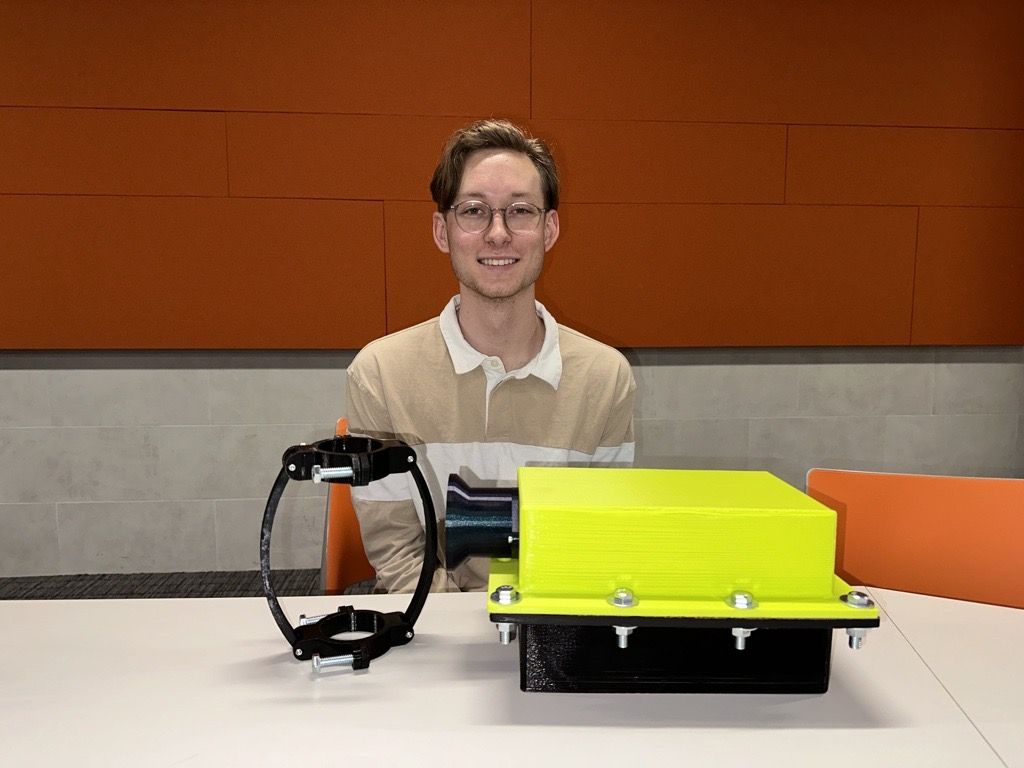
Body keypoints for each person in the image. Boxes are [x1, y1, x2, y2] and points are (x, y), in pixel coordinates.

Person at [346, 119, 635, 592]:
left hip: (553, 622)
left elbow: (597, 540)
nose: (498, 234)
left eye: (520, 211)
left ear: (550, 228)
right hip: (436, 627)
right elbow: (398, 556)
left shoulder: (606, 377)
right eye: (474, 211)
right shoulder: (378, 373)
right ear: (442, 231)